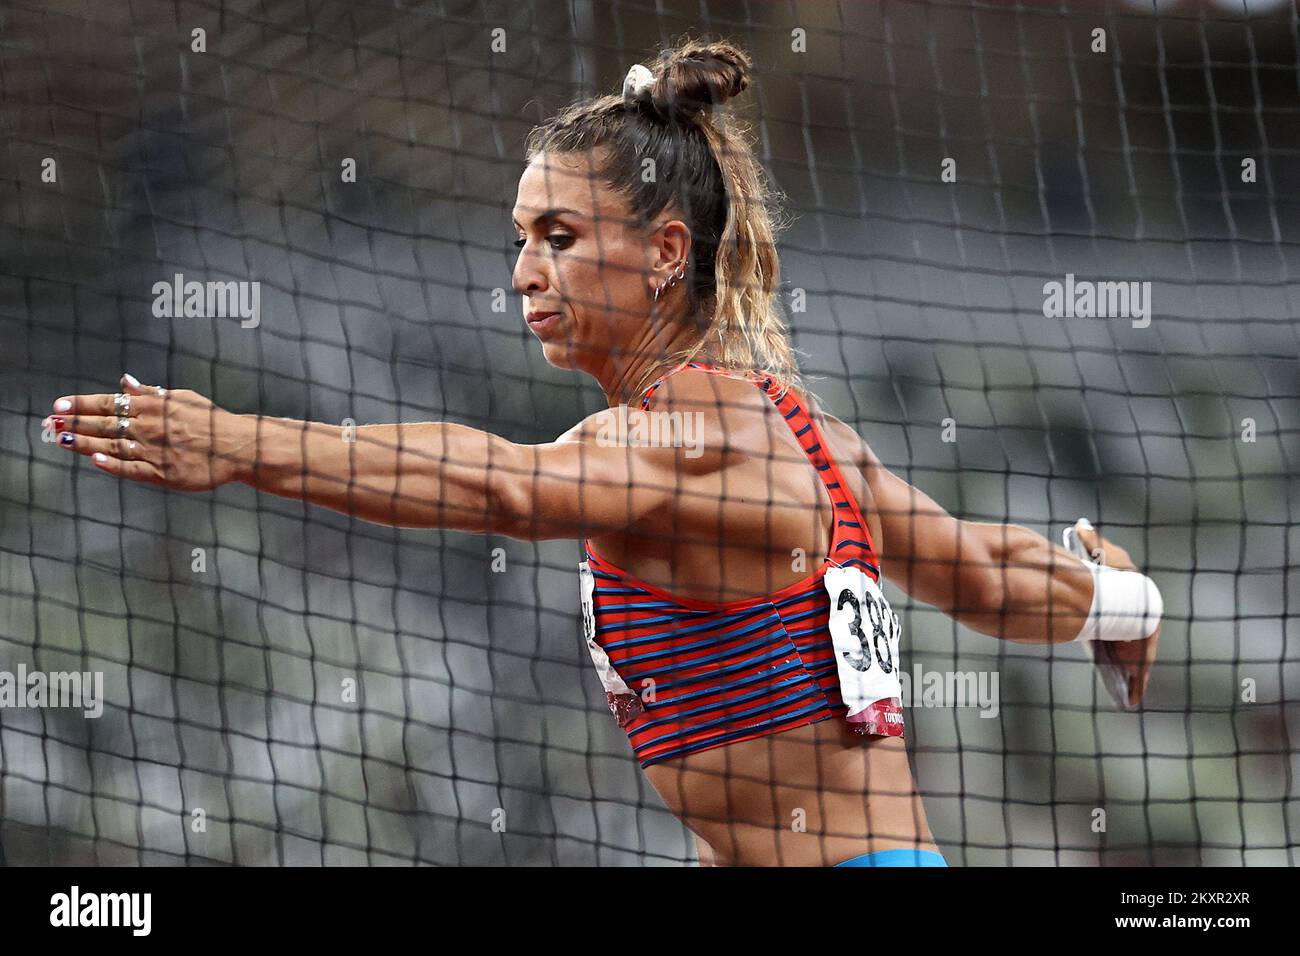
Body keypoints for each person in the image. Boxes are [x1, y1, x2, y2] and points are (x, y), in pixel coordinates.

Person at [42, 38, 1162, 866]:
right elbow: (989, 573)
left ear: (666, 252)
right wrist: (1126, 600)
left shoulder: (683, 438)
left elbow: (497, 484)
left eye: (560, 239)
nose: (524, 271)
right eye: (519, 240)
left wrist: (238, 442)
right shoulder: (809, 433)